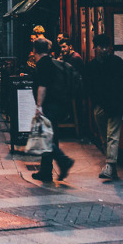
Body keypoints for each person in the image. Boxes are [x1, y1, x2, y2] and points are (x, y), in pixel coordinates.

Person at [85, 33, 123, 180]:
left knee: (112, 136)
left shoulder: (116, 62)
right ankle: (112, 167)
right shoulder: (93, 66)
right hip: (101, 106)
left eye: (106, 47)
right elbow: (89, 87)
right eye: (101, 47)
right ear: (95, 48)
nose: (104, 50)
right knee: (106, 137)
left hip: (114, 104)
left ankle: (110, 165)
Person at [31, 36, 74, 182]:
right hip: (59, 104)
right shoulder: (50, 62)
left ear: (35, 50)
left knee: (45, 137)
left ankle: (64, 161)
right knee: (50, 136)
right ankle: (46, 171)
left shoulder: (43, 64)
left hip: (50, 106)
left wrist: (38, 106)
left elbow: (42, 86)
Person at [59, 36, 85, 136]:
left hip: (75, 89)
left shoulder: (75, 58)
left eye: (64, 47)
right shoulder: (67, 57)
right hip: (71, 87)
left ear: (70, 47)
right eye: (61, 47)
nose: (62, 49)